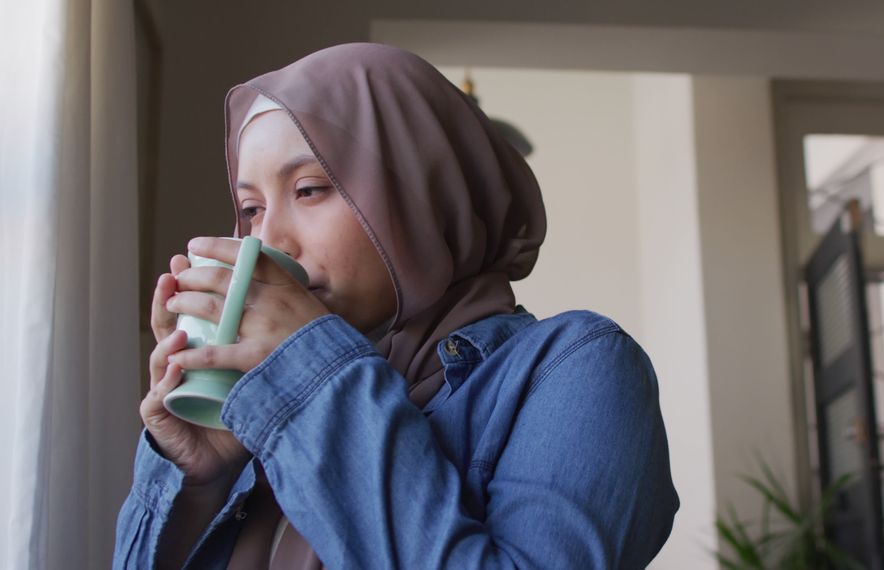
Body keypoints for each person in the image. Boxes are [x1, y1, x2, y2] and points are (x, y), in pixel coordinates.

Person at [113, 43, 678, 569]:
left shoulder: (577, 367)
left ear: (424, 196)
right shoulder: (265, 403)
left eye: (309, 190)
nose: (267, 242)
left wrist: (312, 377)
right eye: (252, 209)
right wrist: (193, 476)